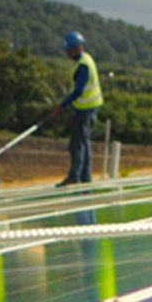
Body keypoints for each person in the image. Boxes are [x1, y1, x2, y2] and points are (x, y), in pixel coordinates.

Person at [51, 31, 103, 187]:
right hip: (89, 107)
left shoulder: (83, 66)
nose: (67, 53)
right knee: (84, 142)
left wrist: (62, 105)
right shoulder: (86, 60)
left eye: (69, 50)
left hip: (85, 110)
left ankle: (75, 176)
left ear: (77, 48)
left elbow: (79, 90)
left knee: (77, 144)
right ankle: (85, 175)